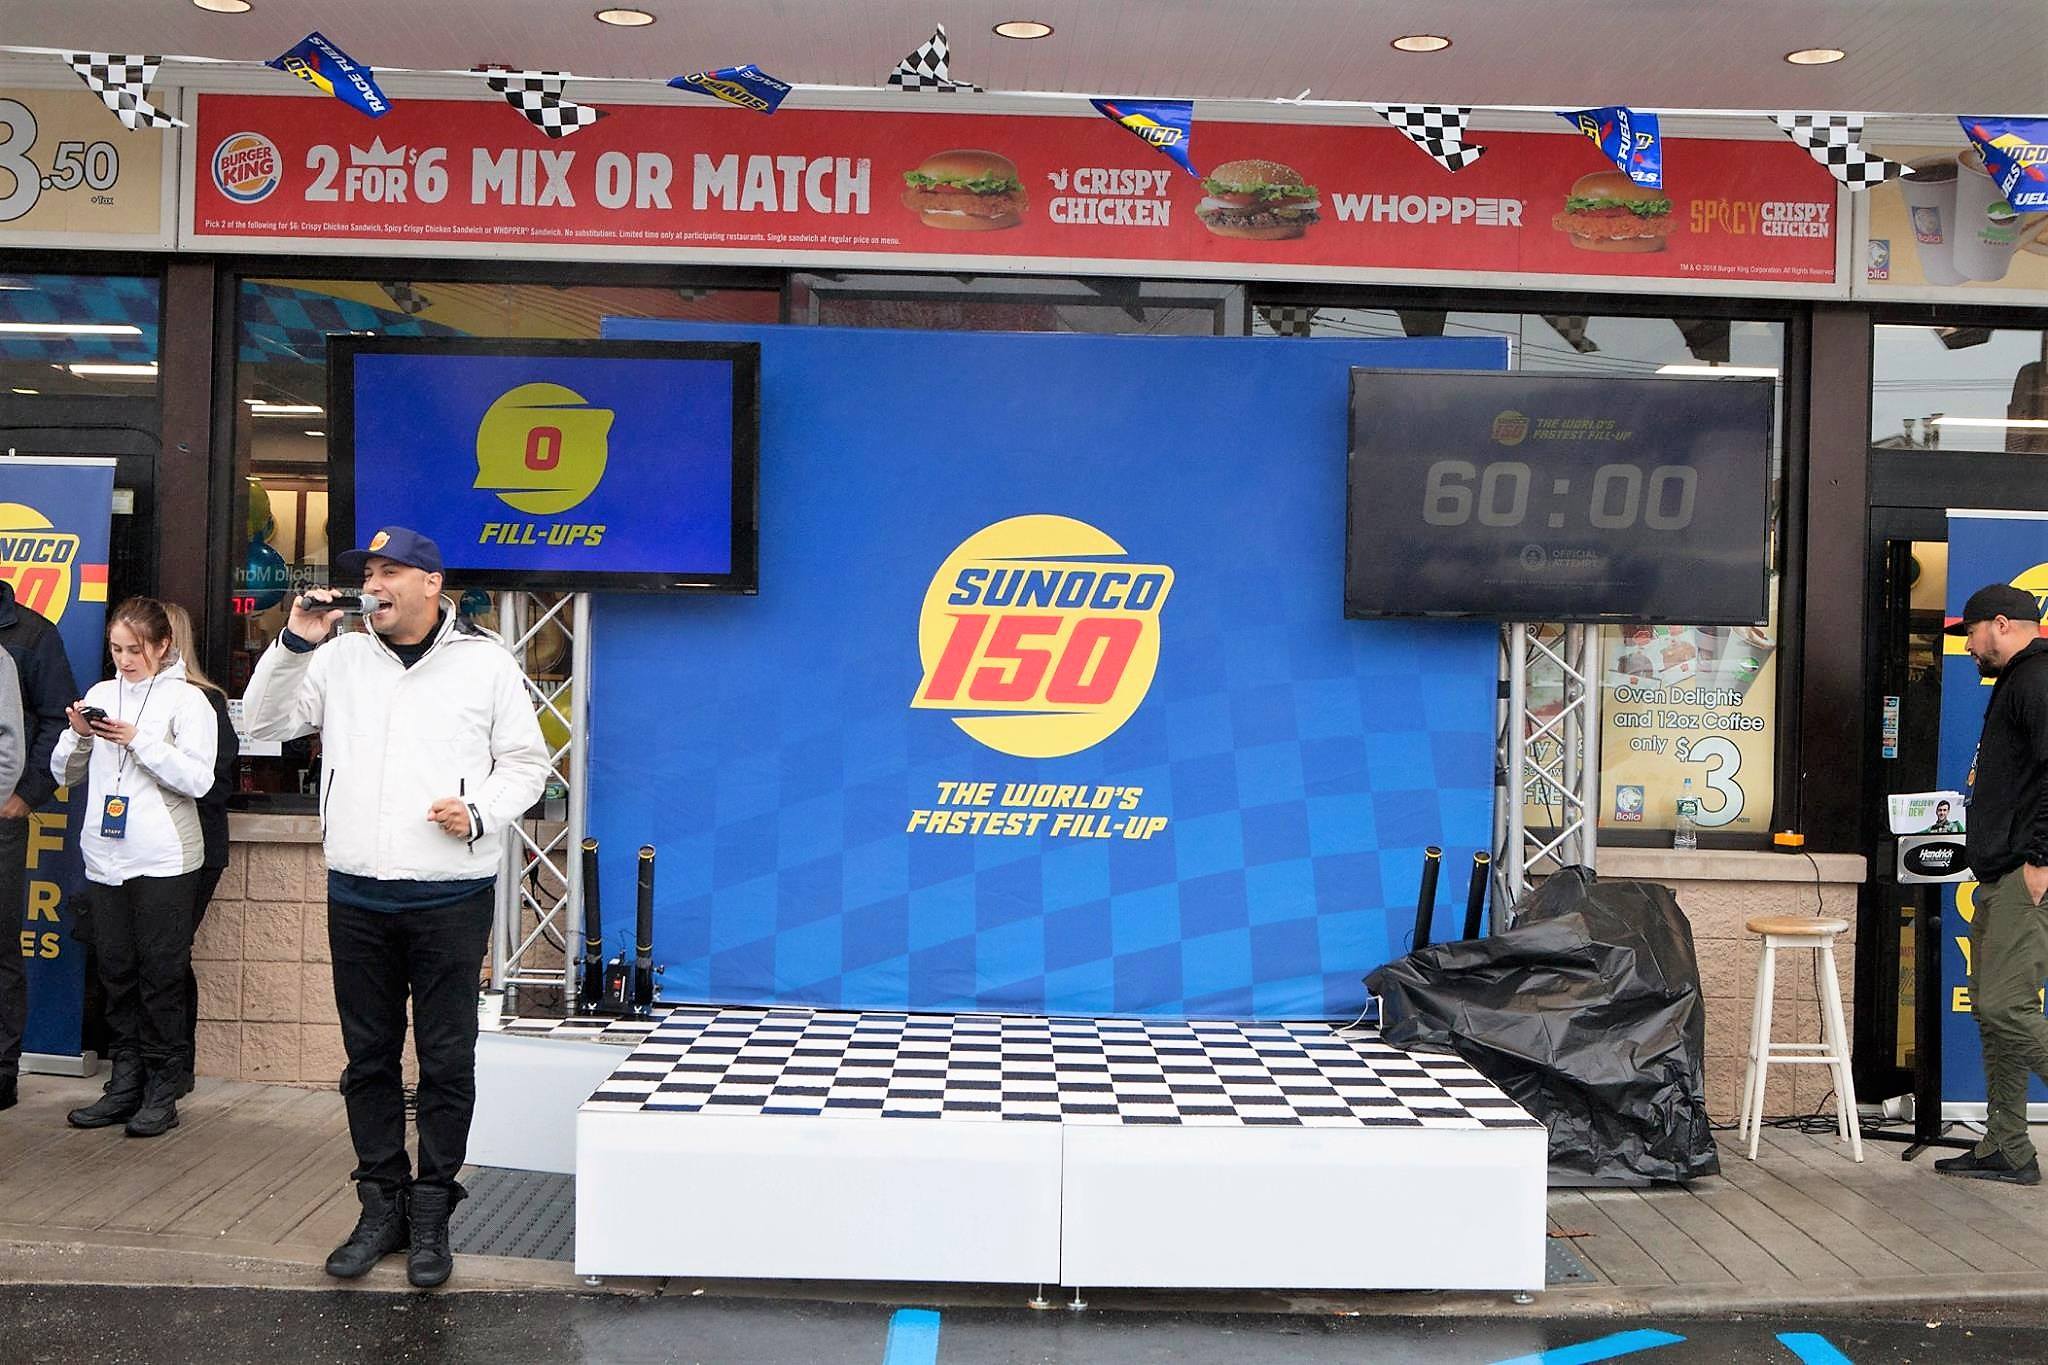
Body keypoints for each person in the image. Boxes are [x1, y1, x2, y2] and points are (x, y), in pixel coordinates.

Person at [241, 528, 547, 1288]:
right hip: (357, 892)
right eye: (368, 572)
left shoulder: (485, 662)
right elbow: (262, 724)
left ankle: (433, 1208)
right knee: (368, 1059)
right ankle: (380, 1207)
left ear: (432, 584)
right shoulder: (337, 656)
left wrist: (478, 811)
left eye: (389, 571)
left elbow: (527, 763)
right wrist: (294, 640)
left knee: (446, 1059)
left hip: (449, 895)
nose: (373, 583)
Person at [52, 598, 218, 1138]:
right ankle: (123, 1082)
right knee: (116, 971)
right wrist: (79, 733)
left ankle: (163, 1087)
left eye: (135, 649)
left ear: (163, 645)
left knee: (161, 974)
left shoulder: (188, 700)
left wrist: (139, 740)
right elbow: (64, 774)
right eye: (117, 649)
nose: (124, 660)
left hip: (164, 856)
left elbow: (199, 780)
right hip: (106, 854)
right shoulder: (102, 693)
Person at [1936, 582, 2048, 1186]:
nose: (1968, 646)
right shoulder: (2016, 681)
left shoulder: (2037, 679)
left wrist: (2041, 859)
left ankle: (2007, 1144)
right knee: (1994, 1013)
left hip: (2027, 875)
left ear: (2001, 624)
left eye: (1971, 633)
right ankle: (2007, 1145)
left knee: (2004, 1006)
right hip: (2000, 873)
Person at [0, 578, 78, 1112]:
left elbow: (58, 720)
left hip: (2, 815)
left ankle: (2, 1071)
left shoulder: (31, 633)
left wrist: (26, 795)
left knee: (0, 947)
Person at [163, 604, 239, 1093]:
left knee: (167, 955)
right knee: (134, 957)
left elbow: (216, 783)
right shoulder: (119, 697)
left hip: (194, 845)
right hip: (132, 847)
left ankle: (174, 1068)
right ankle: (142, 1067)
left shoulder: (205, 701)